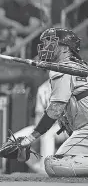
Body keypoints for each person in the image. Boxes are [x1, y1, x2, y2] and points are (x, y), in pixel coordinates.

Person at [17, 28, 88, 177]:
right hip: (82, 129)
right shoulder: (82, 66)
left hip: (85, 130)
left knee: (53, 165)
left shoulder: (62, 69)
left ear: (65, 48)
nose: (45, 47)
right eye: (45, 43)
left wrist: (31, 138)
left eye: (51, 43)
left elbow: (55, 109)